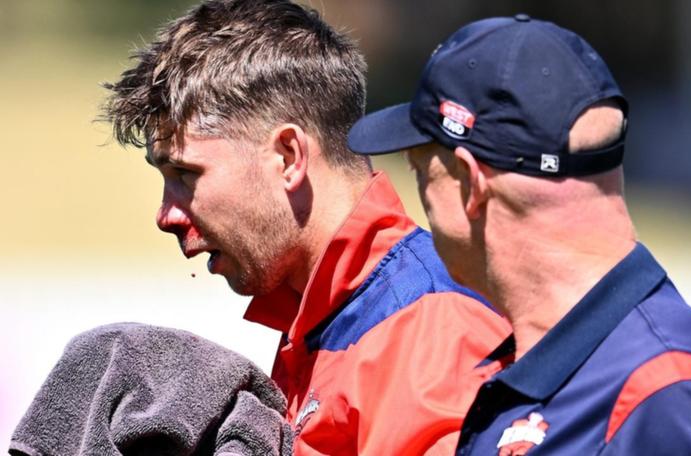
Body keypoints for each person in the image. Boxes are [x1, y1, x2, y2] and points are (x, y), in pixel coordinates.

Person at [348, 15, 691, 455]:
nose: (421, 200)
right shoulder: (543, 366)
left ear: (470, 183)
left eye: (421, 171)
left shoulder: (670, 395)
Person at [101, 1, 511, 455]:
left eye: (186, 174)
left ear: (289, 158)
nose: (166, 215)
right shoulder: (321, 313)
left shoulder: (432, 329)